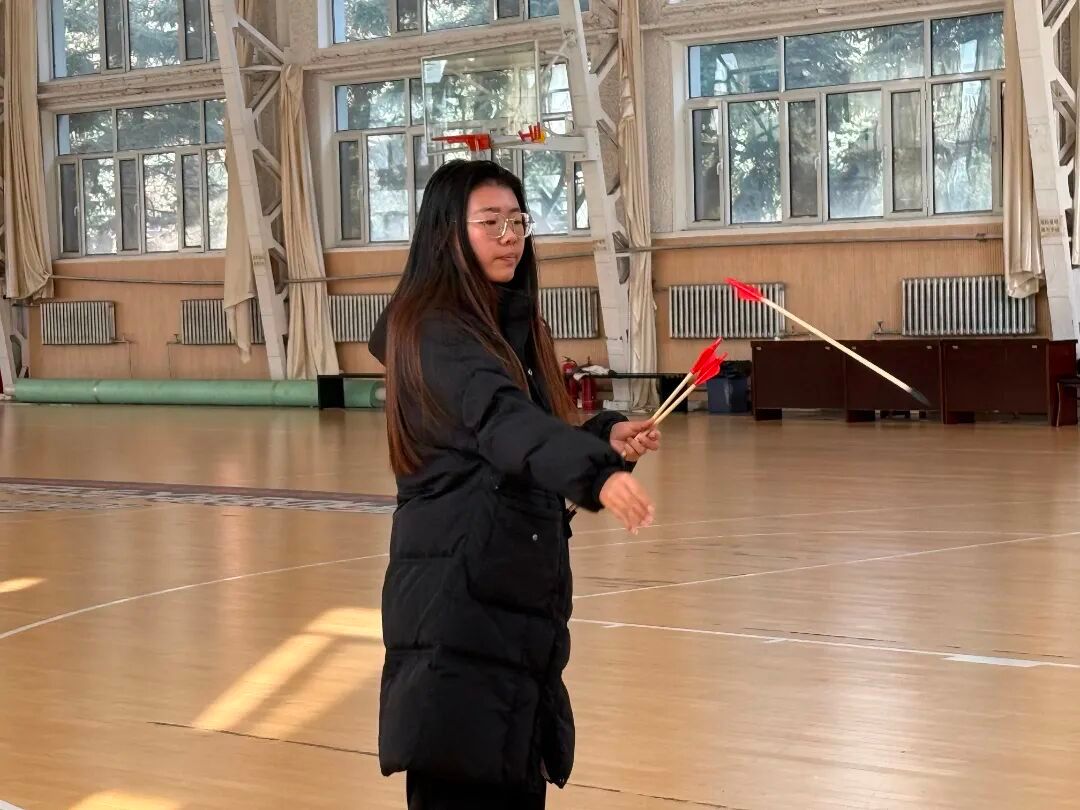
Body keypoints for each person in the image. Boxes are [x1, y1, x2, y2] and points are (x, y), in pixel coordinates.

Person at [368, 158, 660, 809]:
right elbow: (501, 423)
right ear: (448, 232)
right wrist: (594, 474)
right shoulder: (436, 332)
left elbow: (519, 441)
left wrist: (601, 439)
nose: (510, 237)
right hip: (459, 604)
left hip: (507, 603)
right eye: (490, 222)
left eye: (518, 221)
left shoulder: (505, 327)